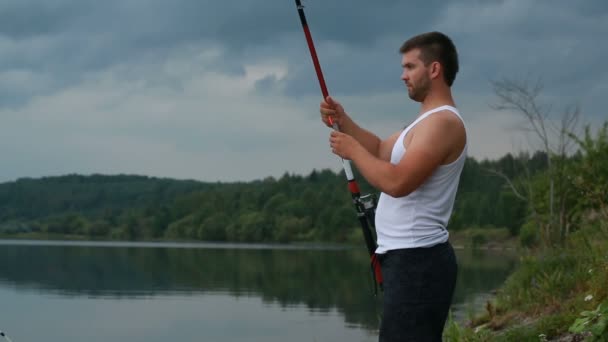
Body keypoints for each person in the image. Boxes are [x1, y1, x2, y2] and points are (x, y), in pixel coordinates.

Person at [320, 31, 466, 341]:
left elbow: (398, 182)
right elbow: (379, 150)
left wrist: (351, 151)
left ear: (435, 69)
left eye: (410, 67)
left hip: (419, 262)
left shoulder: (443, 123)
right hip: (405, 260)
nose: (403, 76)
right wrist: (343, 121)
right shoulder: (422, 123)